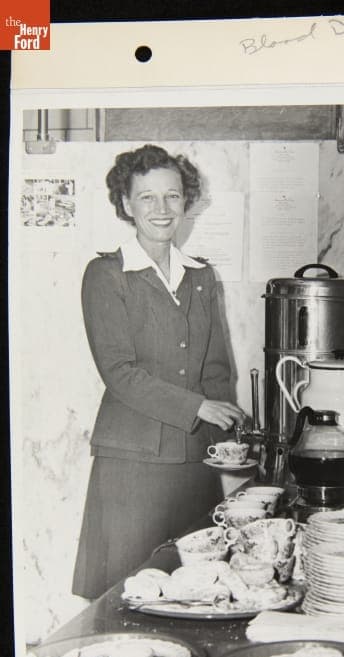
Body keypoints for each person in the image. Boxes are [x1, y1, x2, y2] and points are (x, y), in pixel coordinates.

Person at [72, 144, 245, 599]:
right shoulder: (106, 274)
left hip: (194, 461)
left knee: (194, 586)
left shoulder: (202, 275)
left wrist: (226, 444)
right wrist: (199, 406)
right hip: (133, 462)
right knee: (128, 592)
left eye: (172, 195)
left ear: (186, 201)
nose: (162, 208)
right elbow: (119, 371)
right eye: (147, 197)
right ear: (126, 205)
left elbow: (216, 366)